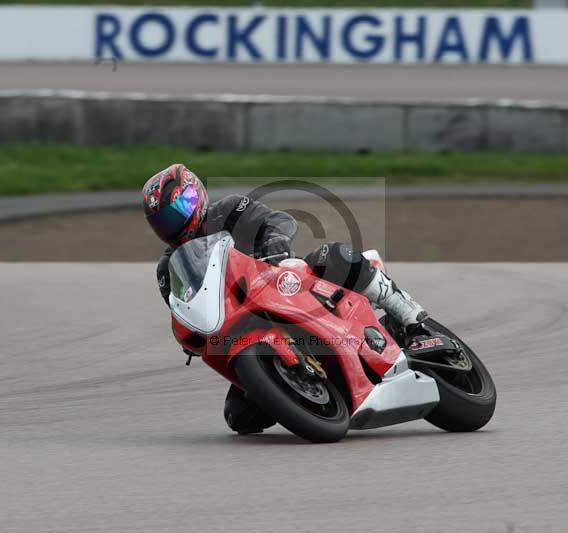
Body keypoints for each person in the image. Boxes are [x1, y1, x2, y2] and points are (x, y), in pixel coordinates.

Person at [143, 164, 433, 434]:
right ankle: (308, 386)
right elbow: (182, 307)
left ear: (197, 196)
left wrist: (274, 246)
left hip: (282, 283)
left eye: (180, 208)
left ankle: (410, 317)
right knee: (240, 418)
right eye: (165, 221)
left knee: (332, 256)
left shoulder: (229, 211)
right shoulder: (168, 269)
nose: (175, 222)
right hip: (240, 327)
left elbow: (276, 221)